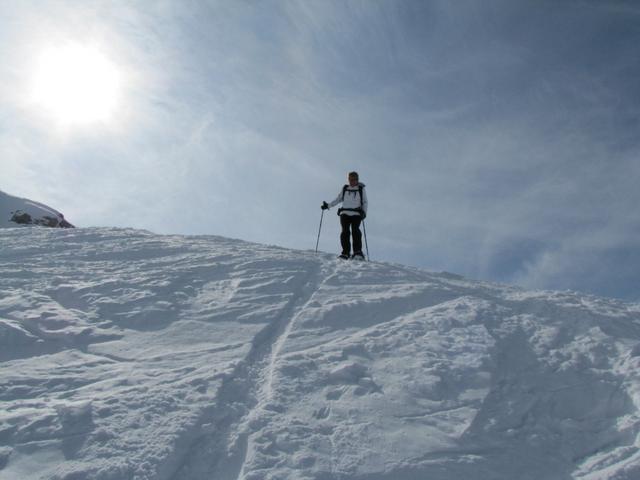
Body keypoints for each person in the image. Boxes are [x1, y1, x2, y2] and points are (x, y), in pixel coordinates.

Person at [321, 171, 368, 260]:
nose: (352, 181)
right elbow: (338, 199)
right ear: (348, 179)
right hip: (344, 213)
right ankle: (345, 253)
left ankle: (357, 252)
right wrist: (328, 205)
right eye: (350, 179)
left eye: (354, 179)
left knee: (355, 231)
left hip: (356, 214)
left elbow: (365, 202)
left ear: (357, 180)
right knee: (345, 232)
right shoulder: (345, 188)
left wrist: (364, 213)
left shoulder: (361, 189)